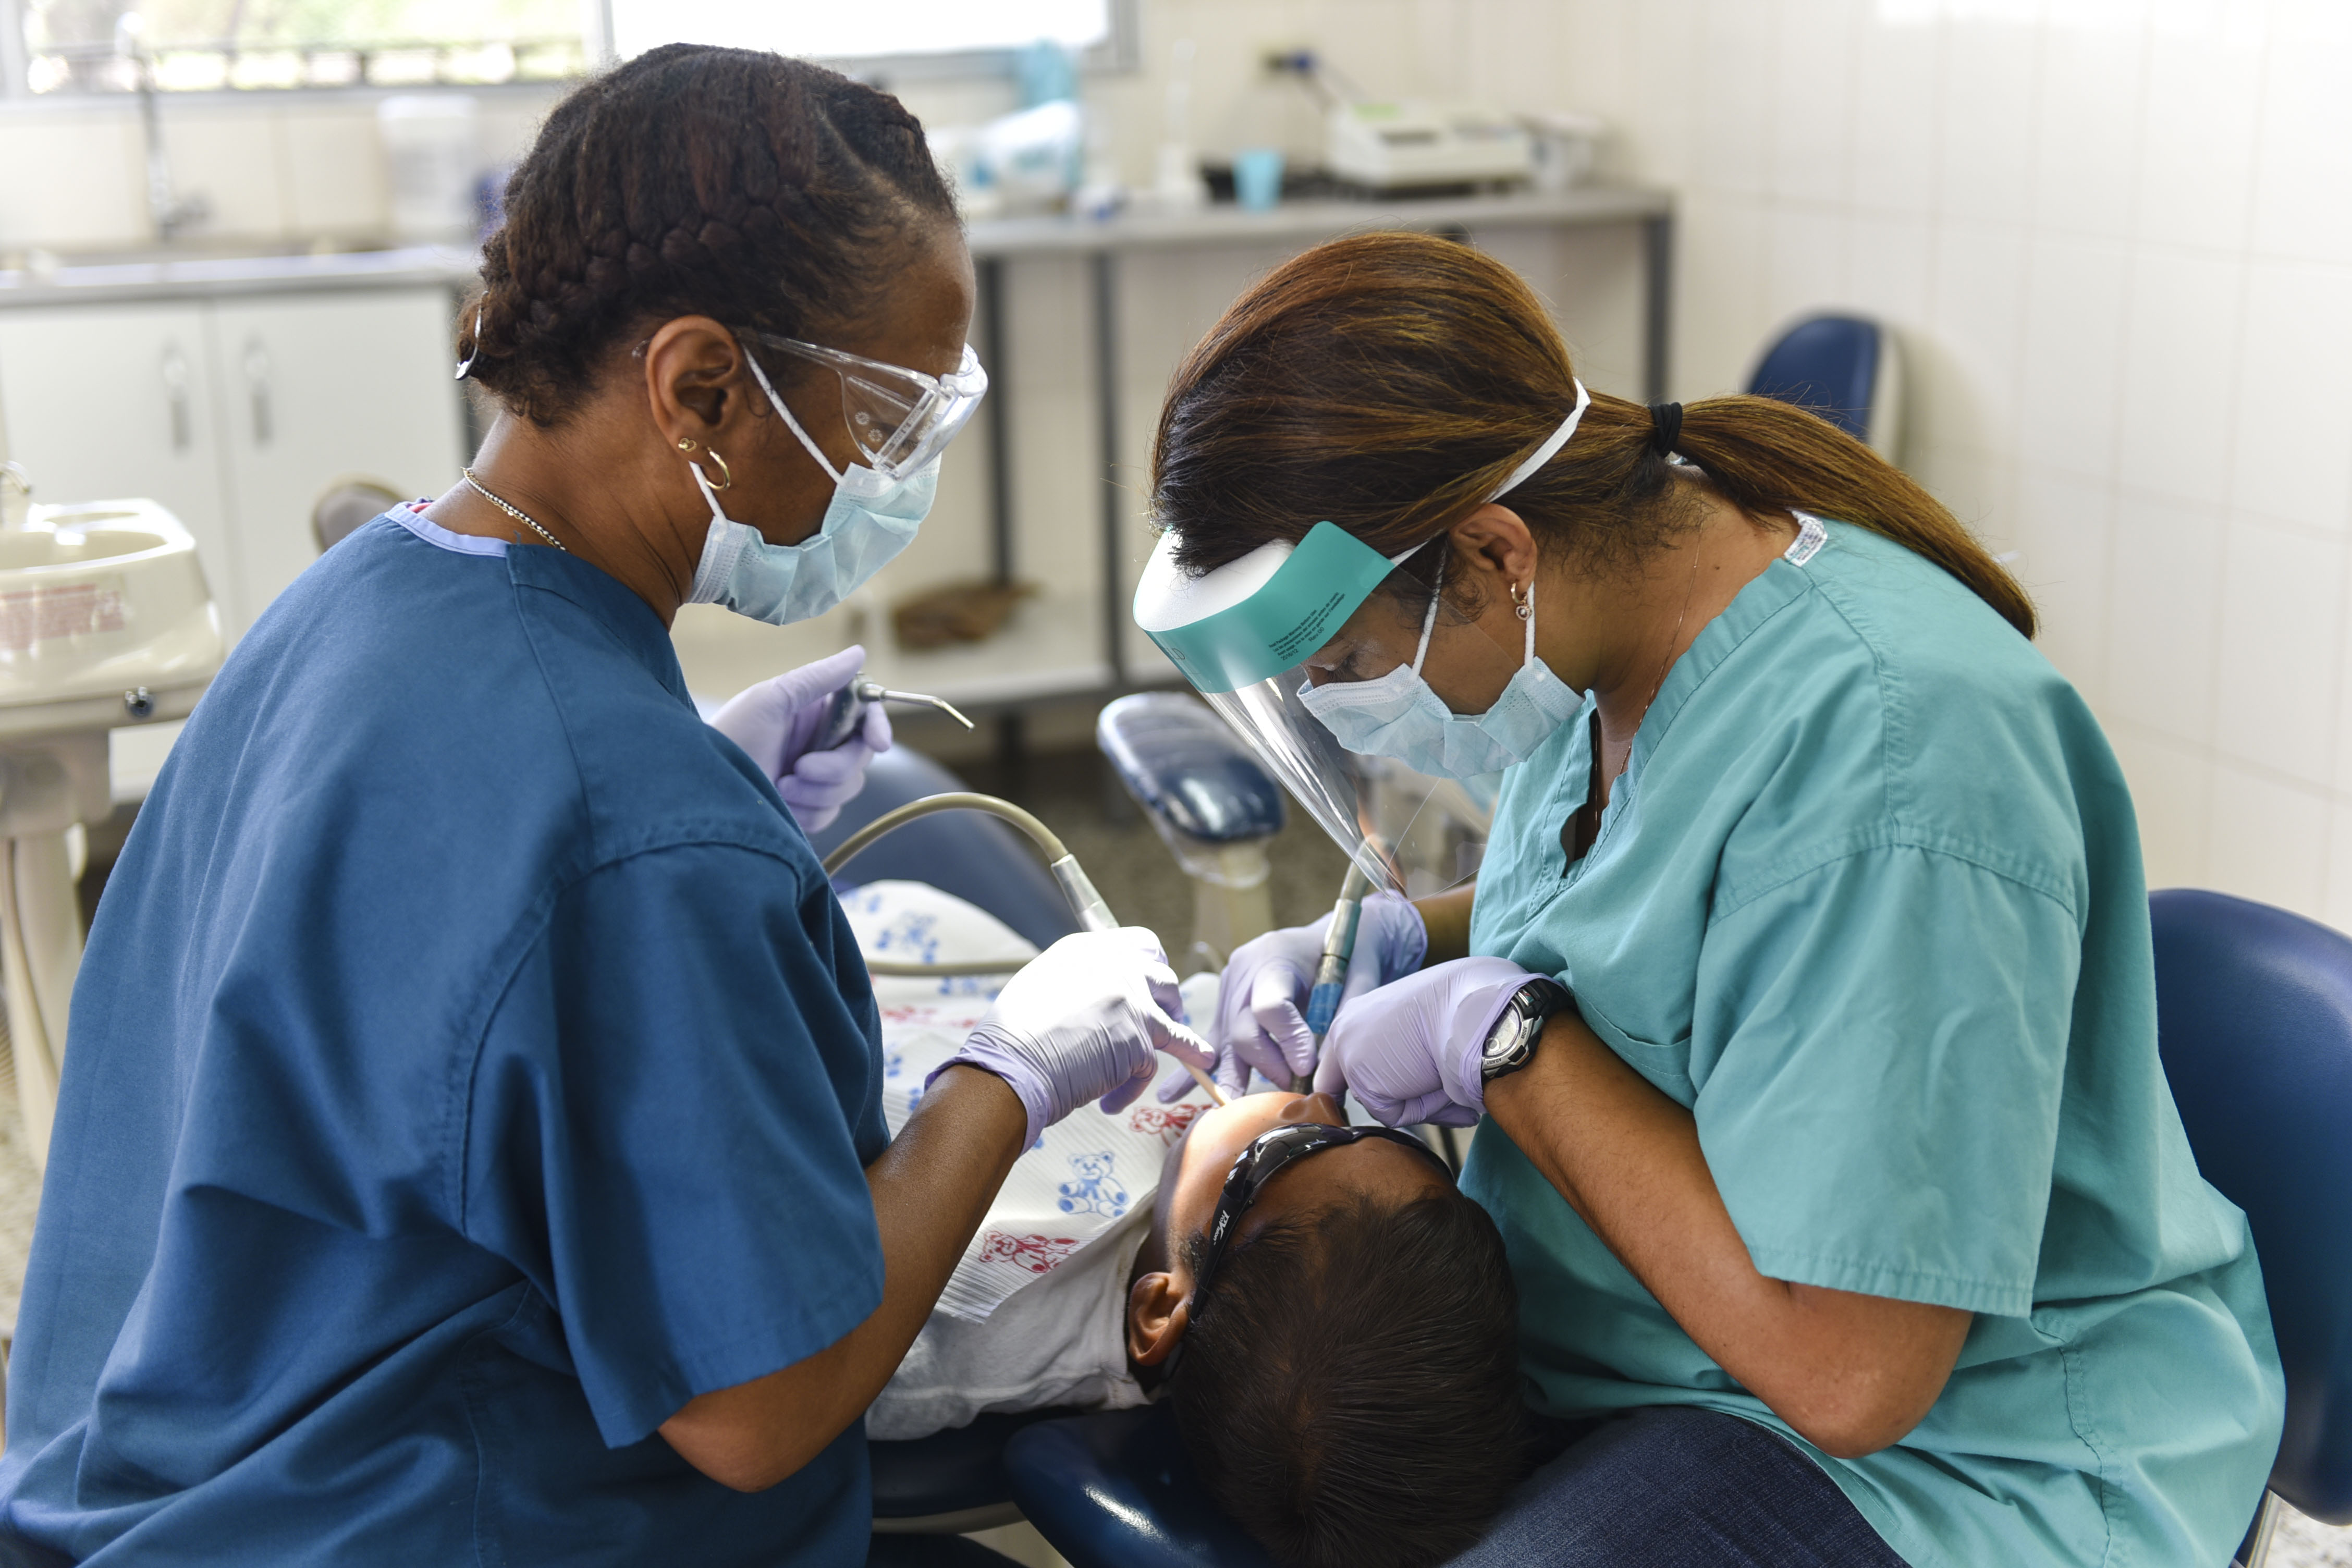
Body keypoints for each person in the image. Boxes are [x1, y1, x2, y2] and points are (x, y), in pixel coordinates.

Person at [0, 47, 1208, 1566]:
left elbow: (413, 933)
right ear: (701, 385)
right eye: (887, 421)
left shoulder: (352, 604)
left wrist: (680, 790)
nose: (895, 478)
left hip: (159, 1477)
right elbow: (762, 1412)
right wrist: (1010, 1072)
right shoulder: (629, 830)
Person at [1133, 230, 2284, 1567]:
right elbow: (1649, 920)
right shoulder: (1591, 645)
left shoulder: (1895, 763)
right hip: (1666, 1365)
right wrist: (1401, 944)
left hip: (1968, 1461)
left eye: (1350, 663)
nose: (1355, 712)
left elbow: (1856, 1376)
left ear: (1495, 552)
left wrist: (1506, 1046)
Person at [852, 883, 1521, 1568]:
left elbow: (802, 1329)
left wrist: (1005, 1070)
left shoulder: (962, 1333)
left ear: (1163, 1306)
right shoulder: (1274, 1203)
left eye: (1286, 1152)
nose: (1318, 1100)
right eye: (1367, 1130)